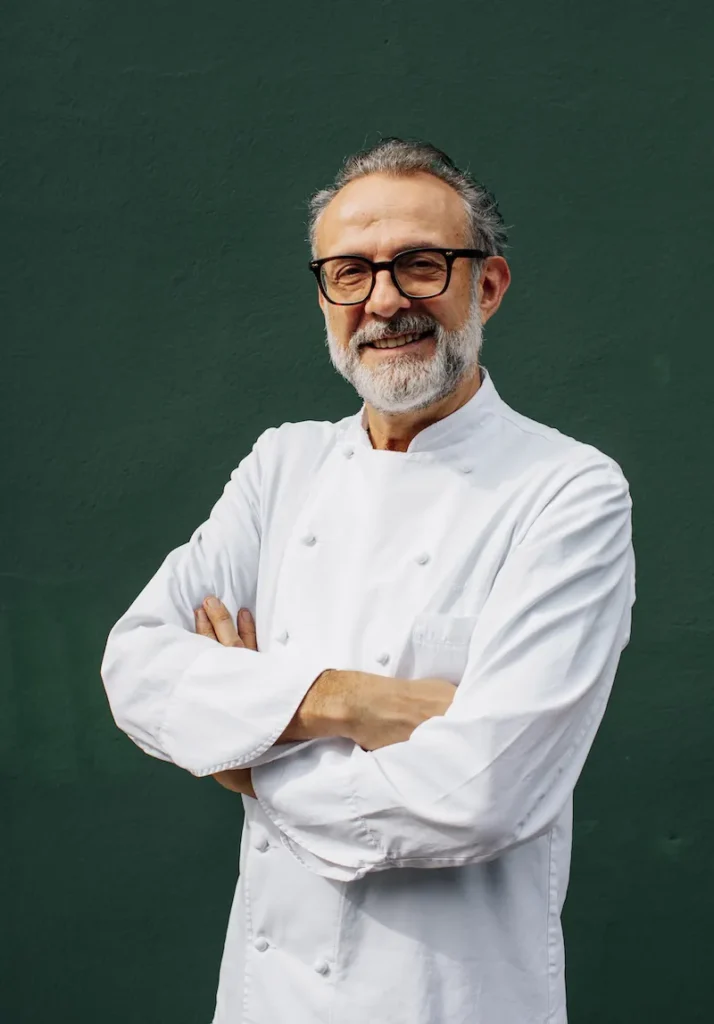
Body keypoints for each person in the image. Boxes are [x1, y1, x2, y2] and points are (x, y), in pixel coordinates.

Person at [101, 138, 635, 1024]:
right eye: (350, 272)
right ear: (325, 298)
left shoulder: (568, 490)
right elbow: (138, 667)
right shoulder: (283, 465)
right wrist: (348, 702)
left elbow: (480, 795)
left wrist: (248, 760)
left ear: (487, 287)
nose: (384, 301)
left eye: (421, 265)